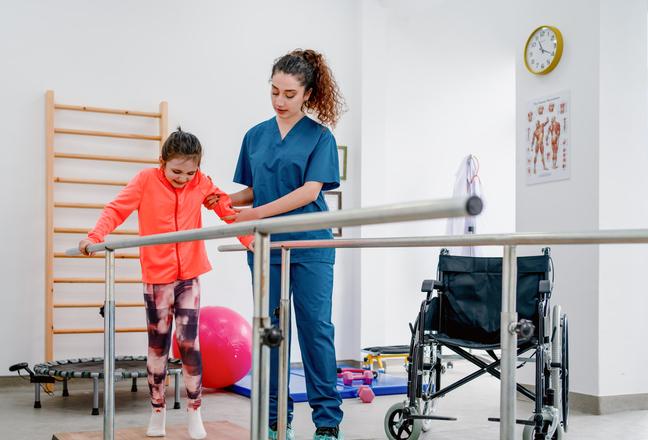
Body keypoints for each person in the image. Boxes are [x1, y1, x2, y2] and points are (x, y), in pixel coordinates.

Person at [78, 128, 253, 439]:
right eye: (176, 171)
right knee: (158, 346)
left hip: (189, 275)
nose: (183, 178)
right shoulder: (145, 180)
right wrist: (95, 237)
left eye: (190, 172)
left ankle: (194, 411)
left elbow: (226, 211)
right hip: (157, 277)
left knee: (189, 343)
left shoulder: (200, 182)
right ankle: (157, 411)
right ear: (162, 162)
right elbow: (116, 210)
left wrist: (252, 240)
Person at [228, 49, 345, 440]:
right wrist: (220, 200)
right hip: (266, 249)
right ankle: (277, 418)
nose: (280, 101)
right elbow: (252, 190)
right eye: (274, 91)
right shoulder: (255, 136)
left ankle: (327, 421)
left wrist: (257, 214)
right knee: (272, 333)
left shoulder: (320, 137)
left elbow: (309, 191)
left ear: (308, 94)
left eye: (290, 94)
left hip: (311, 246)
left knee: (315, 330)